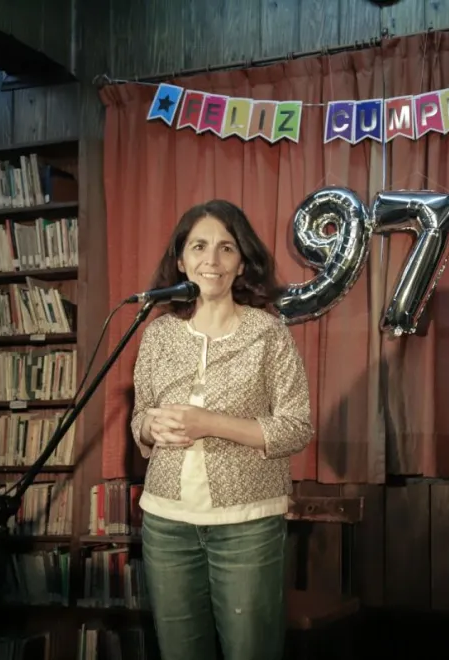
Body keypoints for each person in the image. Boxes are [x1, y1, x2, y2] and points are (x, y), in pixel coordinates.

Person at [130, 199, 314, 660]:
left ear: (241, 262)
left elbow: (296, 428)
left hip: (247, 524)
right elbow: (140, 419)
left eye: (225, 248)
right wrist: (150, 426)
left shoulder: (269, 333)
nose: (211, 260)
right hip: (166, 522)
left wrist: (208, 423)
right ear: (181, 260)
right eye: (199, 247)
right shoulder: (157, 335)